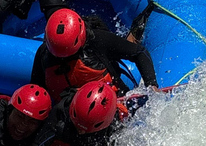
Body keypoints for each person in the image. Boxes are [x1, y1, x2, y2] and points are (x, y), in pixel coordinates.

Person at [31, 8, 159, 101]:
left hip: (112, 104)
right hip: (70, 113)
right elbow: (37, 89)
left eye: (66, 55)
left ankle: (133, 35)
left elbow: (140, 53)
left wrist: (151, 84)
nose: (62, 59)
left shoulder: (98, 40)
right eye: (58, 55)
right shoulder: (43, 54)